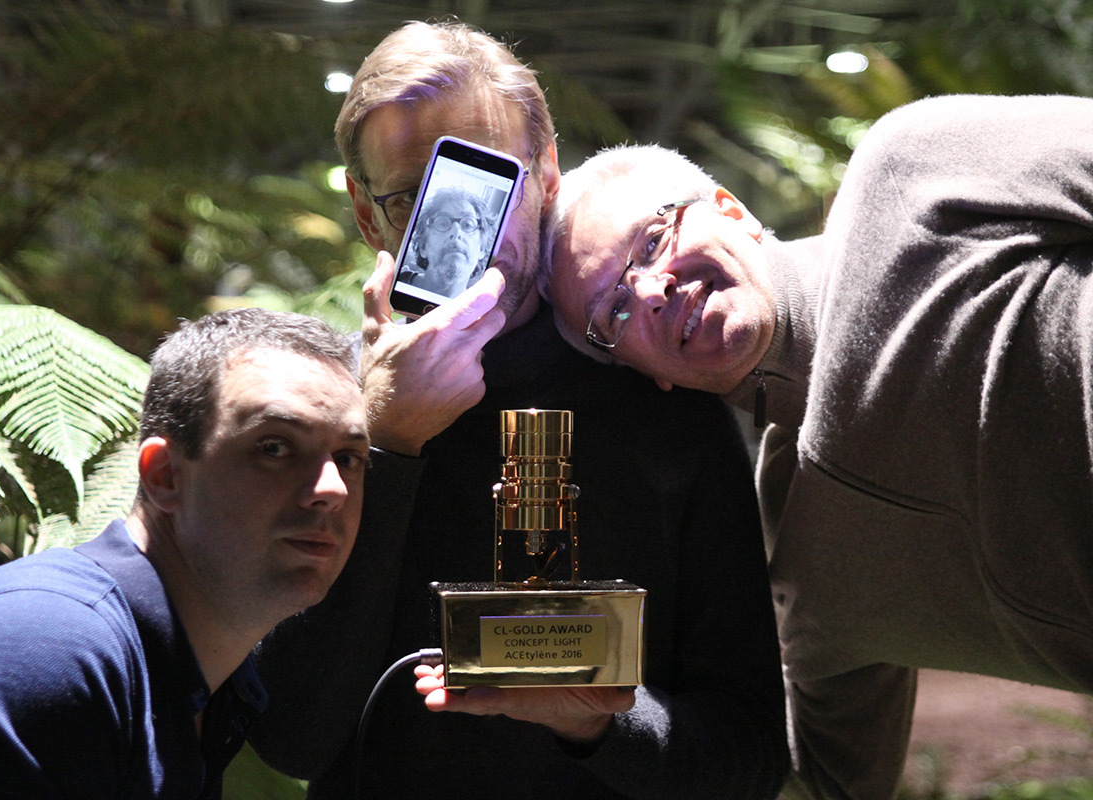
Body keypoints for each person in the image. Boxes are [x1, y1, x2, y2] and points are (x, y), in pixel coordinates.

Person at [246, 19, 789, 800]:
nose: (468, 223)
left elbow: (750, 758)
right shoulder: (319, 403)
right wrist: (386, 444)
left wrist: (599, 724)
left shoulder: (661, 396)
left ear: (547, 174)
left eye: (489, 178)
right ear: (368, 217)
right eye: (415, 197)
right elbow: (293, 734)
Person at [541, 94, 1093, 800]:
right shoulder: (804, 564)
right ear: (649, 378)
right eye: (613, 311)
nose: (650, 291)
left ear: (727, 206)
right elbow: (828, 781)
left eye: (652, 242)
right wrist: (594, 724)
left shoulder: (912, 173)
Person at [0, 308, 369, 799]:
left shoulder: (209, 686)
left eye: (349, 458)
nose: (331, 489)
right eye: (274, 447)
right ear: (164, 476)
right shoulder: (51, 652)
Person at [403, 185, 492, 295]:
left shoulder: (482, 310)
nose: (456, 233)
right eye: (442, 224)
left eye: (468, 224)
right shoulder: (393, 284)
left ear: (482, 249)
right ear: (423, 246)